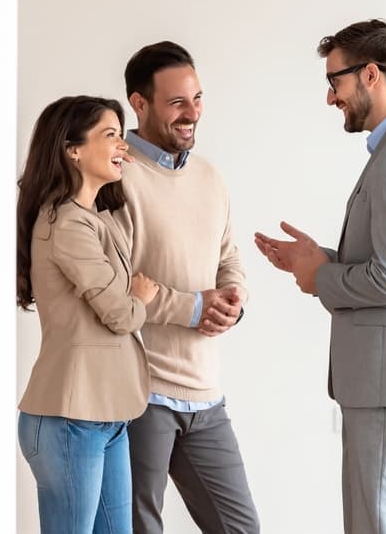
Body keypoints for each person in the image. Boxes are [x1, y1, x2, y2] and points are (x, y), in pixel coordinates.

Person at [253, 19, 386, 533]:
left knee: (380, 525)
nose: (331, 97)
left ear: (371, 74)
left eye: (336, 81)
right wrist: (316, 261)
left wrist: (321, 279)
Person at [112, 41, 260, 533]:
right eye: (177, 102)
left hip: (206, 394)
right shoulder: (116, 177)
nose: (192, 114)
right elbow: (116, 287)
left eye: (197, 99)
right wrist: (195, 308)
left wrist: (233, 300)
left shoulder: (209, 177)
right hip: (142, 392)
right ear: (139, 103)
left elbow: (228, 255)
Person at [16, 95, 161, 534]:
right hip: (70, 419)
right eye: (111, 135)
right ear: (73, 150)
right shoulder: (67, 223)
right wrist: (139, 297)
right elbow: (120, 315)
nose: (124, 145)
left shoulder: (93, 219)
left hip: (104, 414)